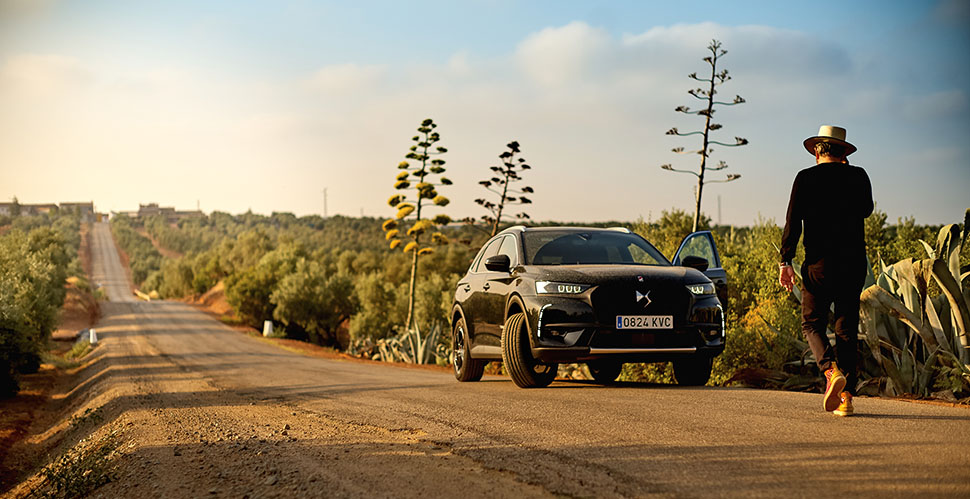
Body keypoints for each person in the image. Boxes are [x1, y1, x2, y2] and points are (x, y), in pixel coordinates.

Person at [779, 125, 873, 417]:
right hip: (853, 264)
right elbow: (867, 210)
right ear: (843, 153)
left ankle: (831, 372)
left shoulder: (806, 178)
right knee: (845, 330)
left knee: (812, 324)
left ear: (818, 150)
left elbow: (793, 223)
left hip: (819, 266)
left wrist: (786, 262)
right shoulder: (859, 176)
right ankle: (846, 399)